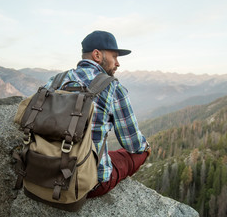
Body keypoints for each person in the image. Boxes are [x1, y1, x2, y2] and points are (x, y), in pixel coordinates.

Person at [45, 30, 151, 197]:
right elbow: (132, 143)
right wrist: (146, 147)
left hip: (44, 169)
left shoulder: (56, 80)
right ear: (97, 55)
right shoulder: (112, 87)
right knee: (140, 152)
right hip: (87, 182)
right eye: (114, 57)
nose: (117, 63)